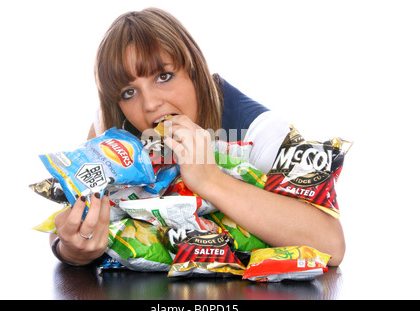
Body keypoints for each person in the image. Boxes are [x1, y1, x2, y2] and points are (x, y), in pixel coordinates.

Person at [50, 7, 345, 267]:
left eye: (163, 77)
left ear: (195, 69)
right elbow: (68, 222)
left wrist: (209, 180)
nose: (149, 104)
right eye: (129, 92)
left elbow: (331, 247)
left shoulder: (259, 131)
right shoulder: (114, 129)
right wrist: (71, 250)